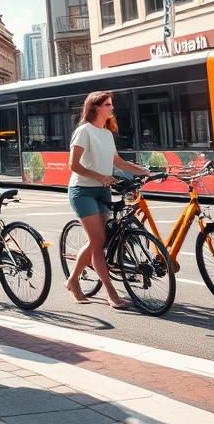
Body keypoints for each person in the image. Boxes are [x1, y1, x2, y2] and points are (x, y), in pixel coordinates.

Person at [65, 91, 150, 309]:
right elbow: (73, 165)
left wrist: (142, 171)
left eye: (111, 105)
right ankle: (109, 291)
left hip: (102, 191)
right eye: (108, 105)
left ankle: (73, 279)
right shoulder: (84, 131)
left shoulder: (106, 133)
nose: (112, 108)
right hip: (82, 191)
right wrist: (100, 176)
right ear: (96, 107)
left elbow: (118, 162)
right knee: (98, 240)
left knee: (98, 241)